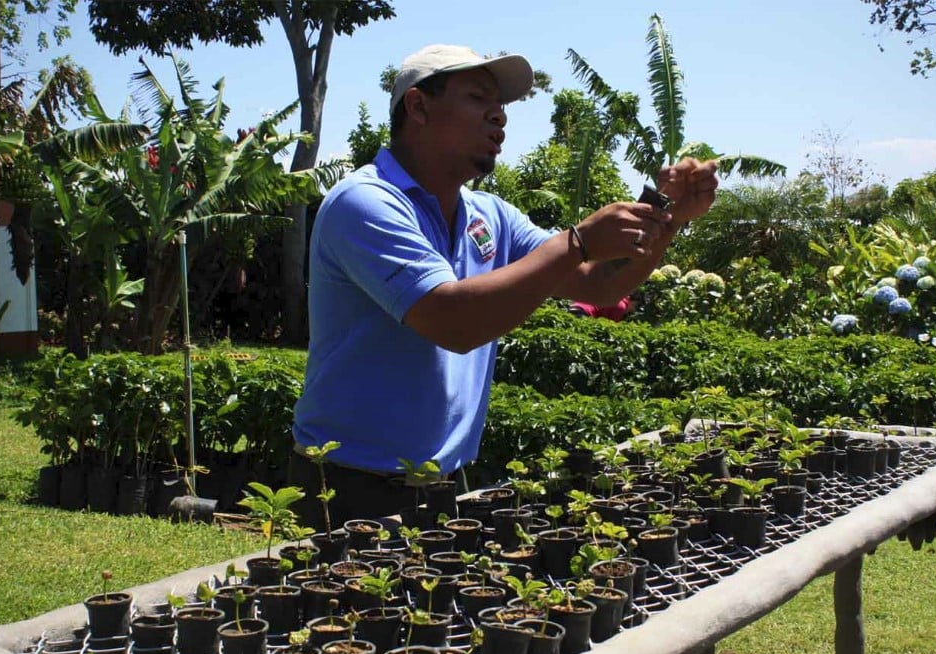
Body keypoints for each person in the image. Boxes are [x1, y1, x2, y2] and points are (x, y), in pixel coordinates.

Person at [287, 43, 718, 527]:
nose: (500, 116)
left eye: (501, 105)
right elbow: (453, 323)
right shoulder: (365, 203)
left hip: (442, 482)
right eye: (478, 98)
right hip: (348, 486)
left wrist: (668, 218)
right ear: (418, 106)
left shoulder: (489, 215)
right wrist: (577, 241)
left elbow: (596, 283)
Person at [568, 291, 641, 322]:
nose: (633, 309)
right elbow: (609, 326)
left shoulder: (614, 296)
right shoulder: (621, 306)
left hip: (574, 307)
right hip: (583, 313)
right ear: (629, 298)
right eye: (634, 305)